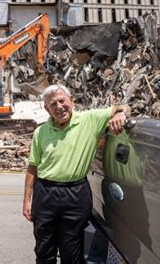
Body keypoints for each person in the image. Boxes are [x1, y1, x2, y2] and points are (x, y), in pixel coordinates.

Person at [23, 84, 130, 263]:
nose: (59, 107)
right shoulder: (40, 132)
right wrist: (27, 200)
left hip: (76, 193)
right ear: (47, 109)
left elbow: (124, 107)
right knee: (43, 249)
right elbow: (32, 167)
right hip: (45, 193)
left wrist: (120, 114)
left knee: (72, 251)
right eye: (53, 104)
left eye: (61, 101)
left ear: (71, 100)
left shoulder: (90, 120)